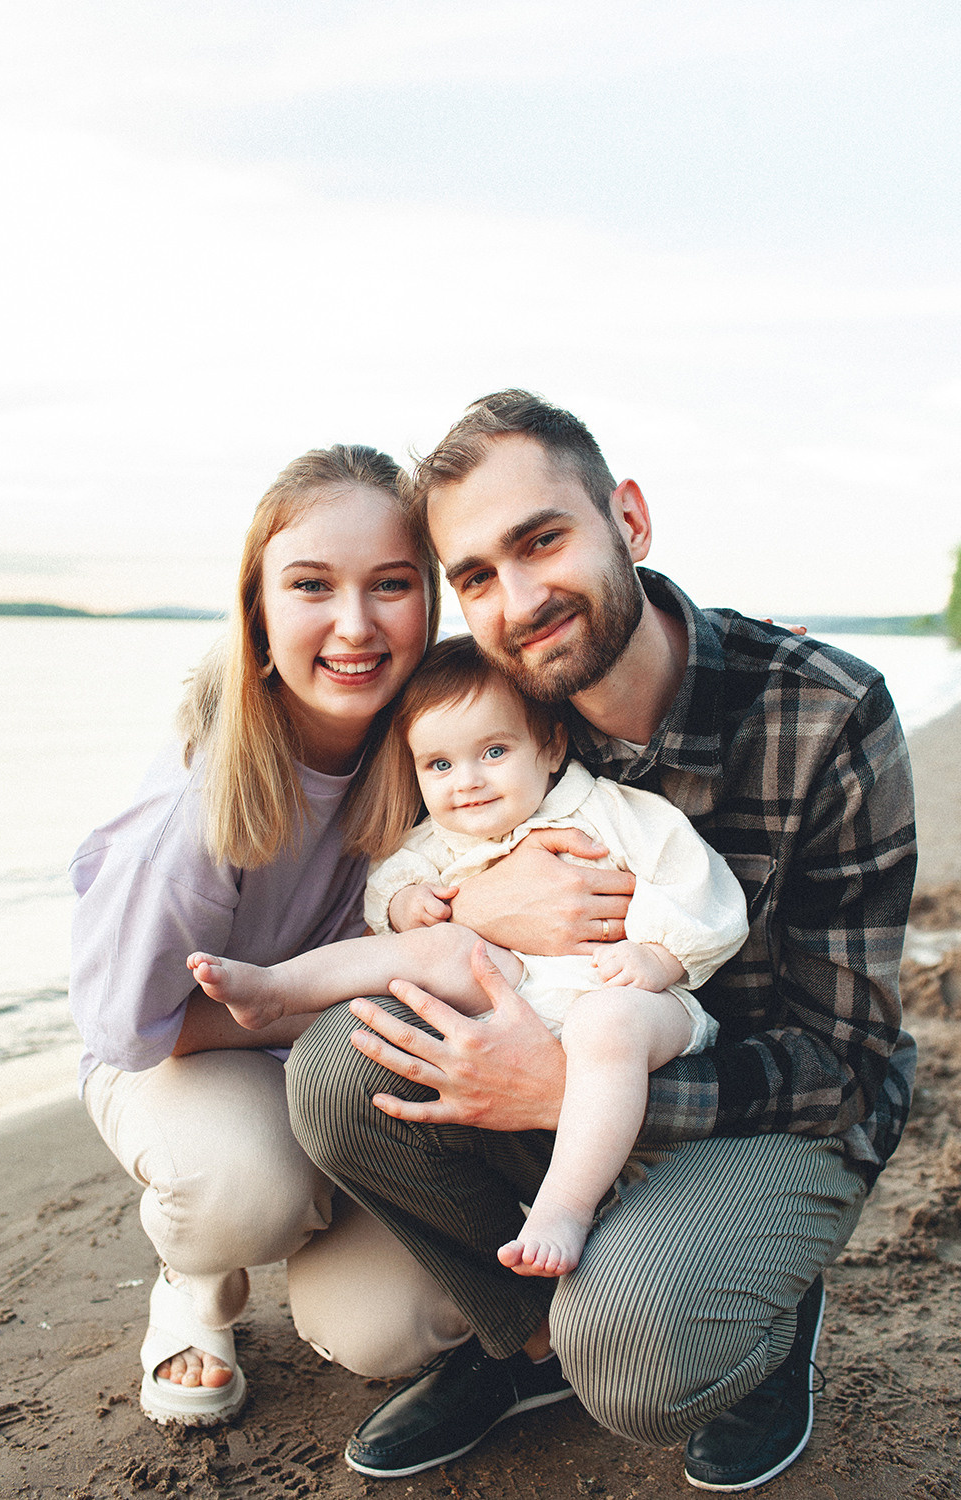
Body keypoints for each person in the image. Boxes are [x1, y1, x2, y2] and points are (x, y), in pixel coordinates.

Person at [286, 392, 917, 1490]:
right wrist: (475, 910)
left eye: (542, 540)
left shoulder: (823, 714)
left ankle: (764, 1320)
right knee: (335, 1069)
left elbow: (849, 1067)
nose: (519, 600)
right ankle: (517, 1343)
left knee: (632, 1353)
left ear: (627, 519)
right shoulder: (501, 715)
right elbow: (408, 878)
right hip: (572, 1061)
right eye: (475, 576)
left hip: (770, 1113)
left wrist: (557, 1087)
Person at [67, 445, 472, 1428]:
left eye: (390, 585)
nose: (354, 624)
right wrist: (304, 996)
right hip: (182, 1058)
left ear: (430, 600)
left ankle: (316, 1206)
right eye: (310, 585)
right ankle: (195, 1281)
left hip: (332, 1062)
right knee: (245, 1189)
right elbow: (130, 1032)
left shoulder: (442, 745)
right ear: (259, 612)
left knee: (396, 1327)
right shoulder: (201, 814)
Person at [186, 634, 749, 1278]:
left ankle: (564, 1207)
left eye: (493, 752)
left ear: (551, 746)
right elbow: (390, 887)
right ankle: (278, 990)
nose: (469, 783)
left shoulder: (613, 813)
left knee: (607, 1026)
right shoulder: (442, 838)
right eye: (440, 766)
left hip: (630, 1000)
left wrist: (659, 959)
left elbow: (701, 890)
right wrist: (407, 905)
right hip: (515, 999)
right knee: (445, 946)